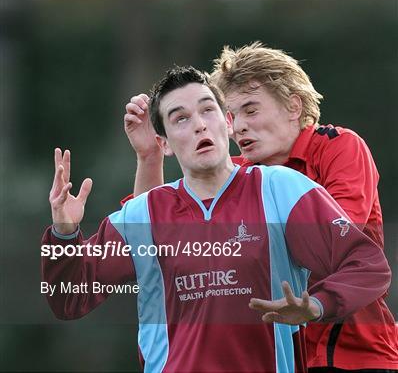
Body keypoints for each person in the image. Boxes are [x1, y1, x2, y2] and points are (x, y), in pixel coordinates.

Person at [43, 66, 391, 373]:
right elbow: (69, 298)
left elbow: (367, 265)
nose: (198, 125)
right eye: (181, 118)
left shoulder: (280, 189)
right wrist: (64, 232)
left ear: (227, 123)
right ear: (163, 143)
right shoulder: (143, 212)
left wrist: (316, 304)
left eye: (207, 110)